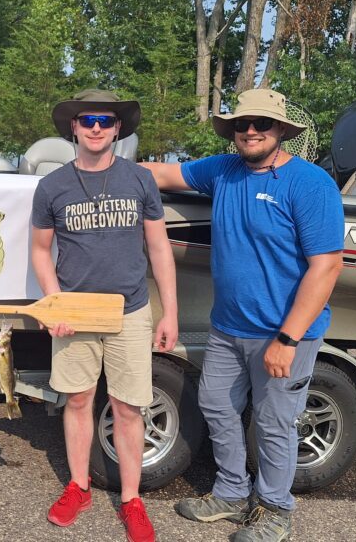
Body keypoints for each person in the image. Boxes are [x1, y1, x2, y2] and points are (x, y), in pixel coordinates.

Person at [142, 89, 344, 542]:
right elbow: (161, 172)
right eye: (241, 124)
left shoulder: (310, 184)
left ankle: (275, 509)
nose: (250, 131)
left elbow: (327, 266)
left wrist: (288, 339)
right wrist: (96, 166)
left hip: (283, 333)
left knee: (274, 424)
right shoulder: (223, 170)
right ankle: (232, 492)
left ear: (281, 131)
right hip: (227, 328)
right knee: (215, 405)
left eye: (261, 124)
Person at [31, 89, 178, 542]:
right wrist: (54, 304)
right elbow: (39, 251)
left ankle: (132, 499)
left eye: (106, 120)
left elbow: (158, 247)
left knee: (129, 407)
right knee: (77, 401)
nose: (96, 127)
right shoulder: (52, 185)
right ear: (73, 127)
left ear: (118, 130)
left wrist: (167, 312)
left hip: (130, 310)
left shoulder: (139, 180)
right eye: (87, 119)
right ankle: (79, 486)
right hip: (74, 312)